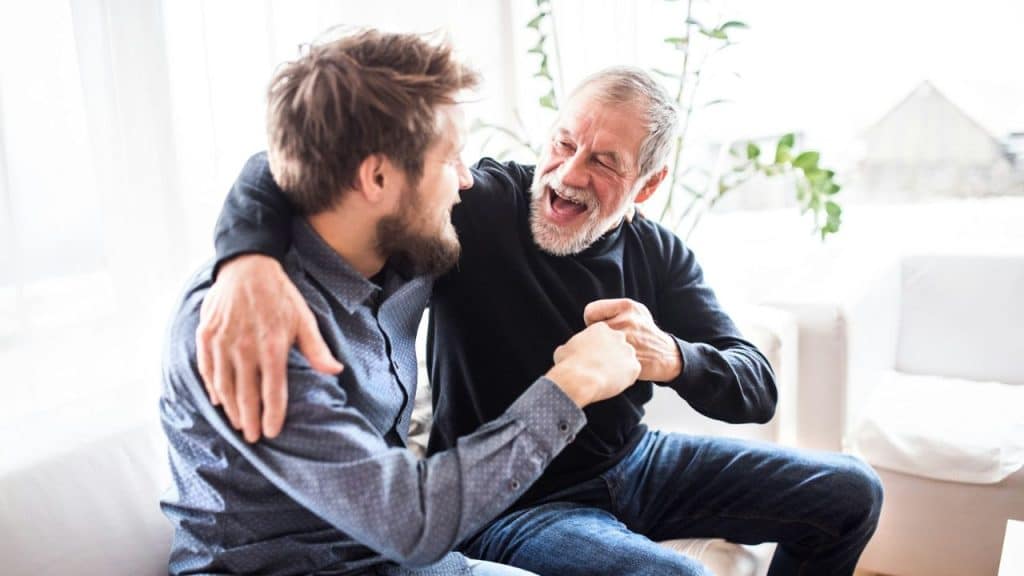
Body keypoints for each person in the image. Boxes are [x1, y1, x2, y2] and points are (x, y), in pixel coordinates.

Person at [201, 65, 884, 575]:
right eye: (564, 143)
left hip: (636, 463)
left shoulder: (658, 253)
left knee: (853, 492)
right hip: (514, 501)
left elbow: (756, 387)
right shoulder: (479, 204)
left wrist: (668, 355)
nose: (569, 173)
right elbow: (288, 163)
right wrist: (245, 260)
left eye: (604, 162)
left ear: (647, 186)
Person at [160, 29, 644, 576]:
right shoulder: (254, 326)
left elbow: (268, 165)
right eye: (451, 159)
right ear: (377, 176)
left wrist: (245, 251)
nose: (466, 182)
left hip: (387, 557)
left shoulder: (402, 250)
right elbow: (412, 522)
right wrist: (572, 384)